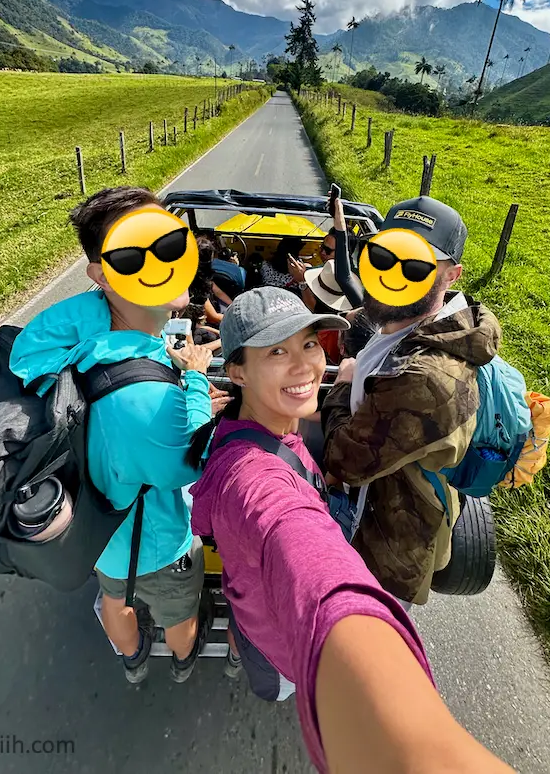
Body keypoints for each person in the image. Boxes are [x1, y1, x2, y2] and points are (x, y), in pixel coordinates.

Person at [187, 287, 513, 774]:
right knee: (276, 682)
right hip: (280, 647)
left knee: (250, 633)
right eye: (276, 351)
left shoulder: (265, 427)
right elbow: (302, 546)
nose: (303, 366)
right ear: (236, 370)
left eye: (309, 343)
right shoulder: (254, 478)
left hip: (257, 602)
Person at [10, 186, 228, 685]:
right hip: (158, 542)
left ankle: (131, 662)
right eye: (134, 253)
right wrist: (193, 380)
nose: (160, 260)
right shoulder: (141, 399)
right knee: (179, 612)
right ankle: (180, 660)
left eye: (170, 242)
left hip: (99, 533)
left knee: (114, 595)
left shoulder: (80, 335)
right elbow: (190, 464)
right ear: (101, 274)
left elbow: (31, 346)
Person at [321, 196, 502, 606]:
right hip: (375, 502)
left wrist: (341, 384)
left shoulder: (428, 378)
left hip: (383, 550)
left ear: (452, 275)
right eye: (382, 256)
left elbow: (343, 461)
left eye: (416, 266)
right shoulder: (417, 326)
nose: (390, 275)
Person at [288, 193, 362, 312]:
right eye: (322, 247)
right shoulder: (328, 267)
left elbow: (314, 310)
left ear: (344, 254)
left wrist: (302, 282)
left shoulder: (348, 280)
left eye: (327, 250)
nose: (321, 252)